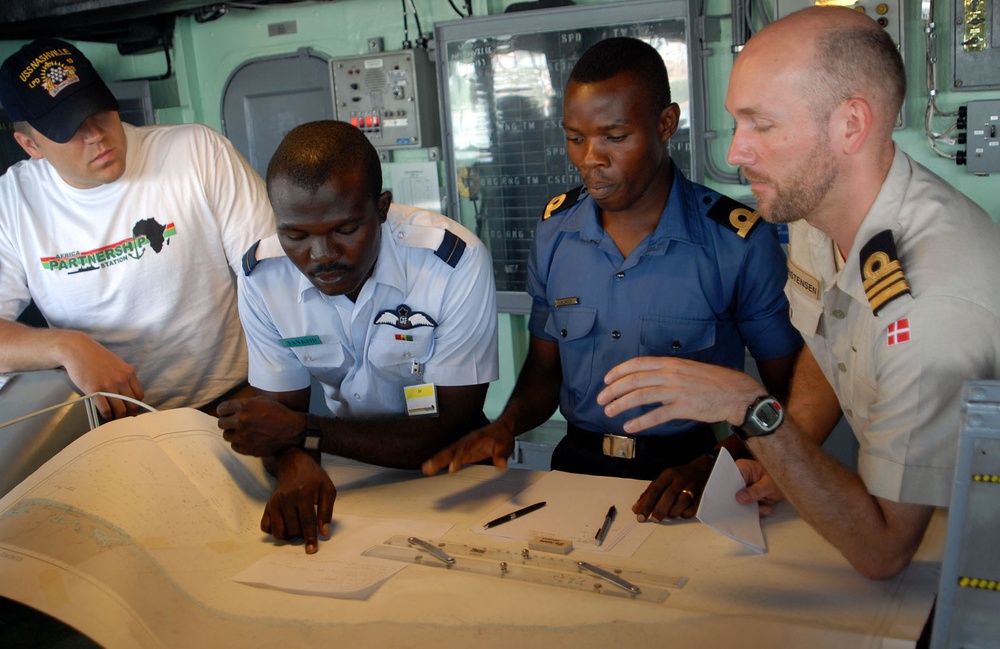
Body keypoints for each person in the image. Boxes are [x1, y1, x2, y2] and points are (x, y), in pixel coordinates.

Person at [597, 7, 1000, 580]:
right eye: (737, 123)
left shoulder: (932, 306)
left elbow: (883, 549)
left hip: (961, 556)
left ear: (850, 125)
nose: (735, 153)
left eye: (761, 125)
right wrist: (788, 456)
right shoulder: (821, 208)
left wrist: (750, 409)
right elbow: (827, 332)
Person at [422, 37, 802, 523]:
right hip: (576, 473)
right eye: (575, 137)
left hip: (693, 475)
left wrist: (718, 463)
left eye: (614, 138)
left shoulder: (735, 243)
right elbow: (544, 372)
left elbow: (786, 393)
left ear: (666, 124)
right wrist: (505, 426)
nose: (588, 159)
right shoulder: (555, 234)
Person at [216, 120, 498, 554]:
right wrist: (293, 462)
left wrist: (301, 434)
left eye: (345, 230)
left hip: (450, 472)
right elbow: (278, 417)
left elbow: (450, 424)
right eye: (295, 235)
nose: (322, 255)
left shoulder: (451, 263)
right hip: (347, 473)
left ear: (382, 207)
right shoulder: (263, 276)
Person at [0, 38, 274, 419]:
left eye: (98, 110)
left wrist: (277, 401)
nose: (95, 133)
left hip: (234, 399)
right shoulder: (12, 203)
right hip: (113, 422)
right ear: (31, 145)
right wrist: (67, 346)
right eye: (69, 127)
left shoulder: (198, 152)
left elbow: (274, 282)